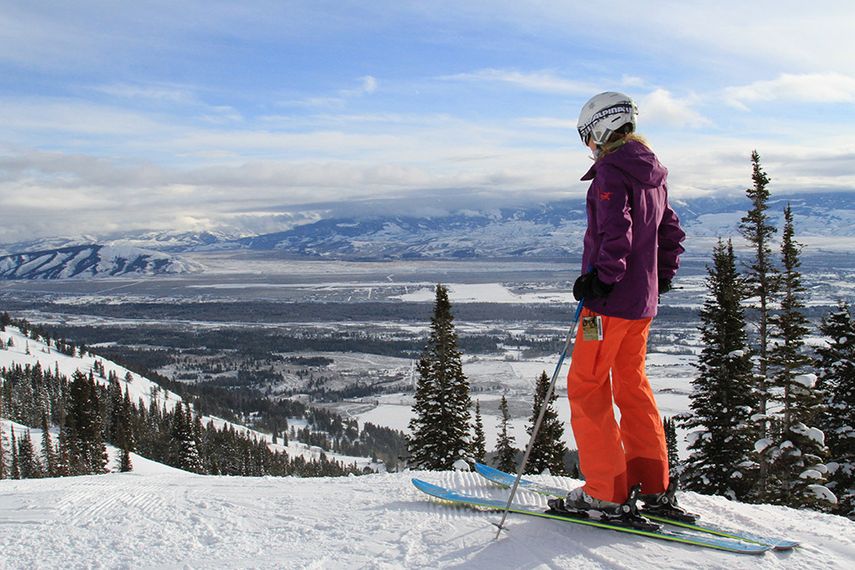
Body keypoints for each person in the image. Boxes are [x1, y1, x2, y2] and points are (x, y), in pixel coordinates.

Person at [556, 92, 688, 520]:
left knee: (587, 386)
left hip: (609, 306)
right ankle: (652, 482)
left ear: (600, 128)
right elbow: (670, 232)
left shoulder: (611, 172)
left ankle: (606, 491)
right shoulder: (652, 172)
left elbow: (617, 233)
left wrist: (601, 280)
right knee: (632, 385)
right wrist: (659, 278)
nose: (588, 146)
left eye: (586, 136)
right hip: (641, 305)